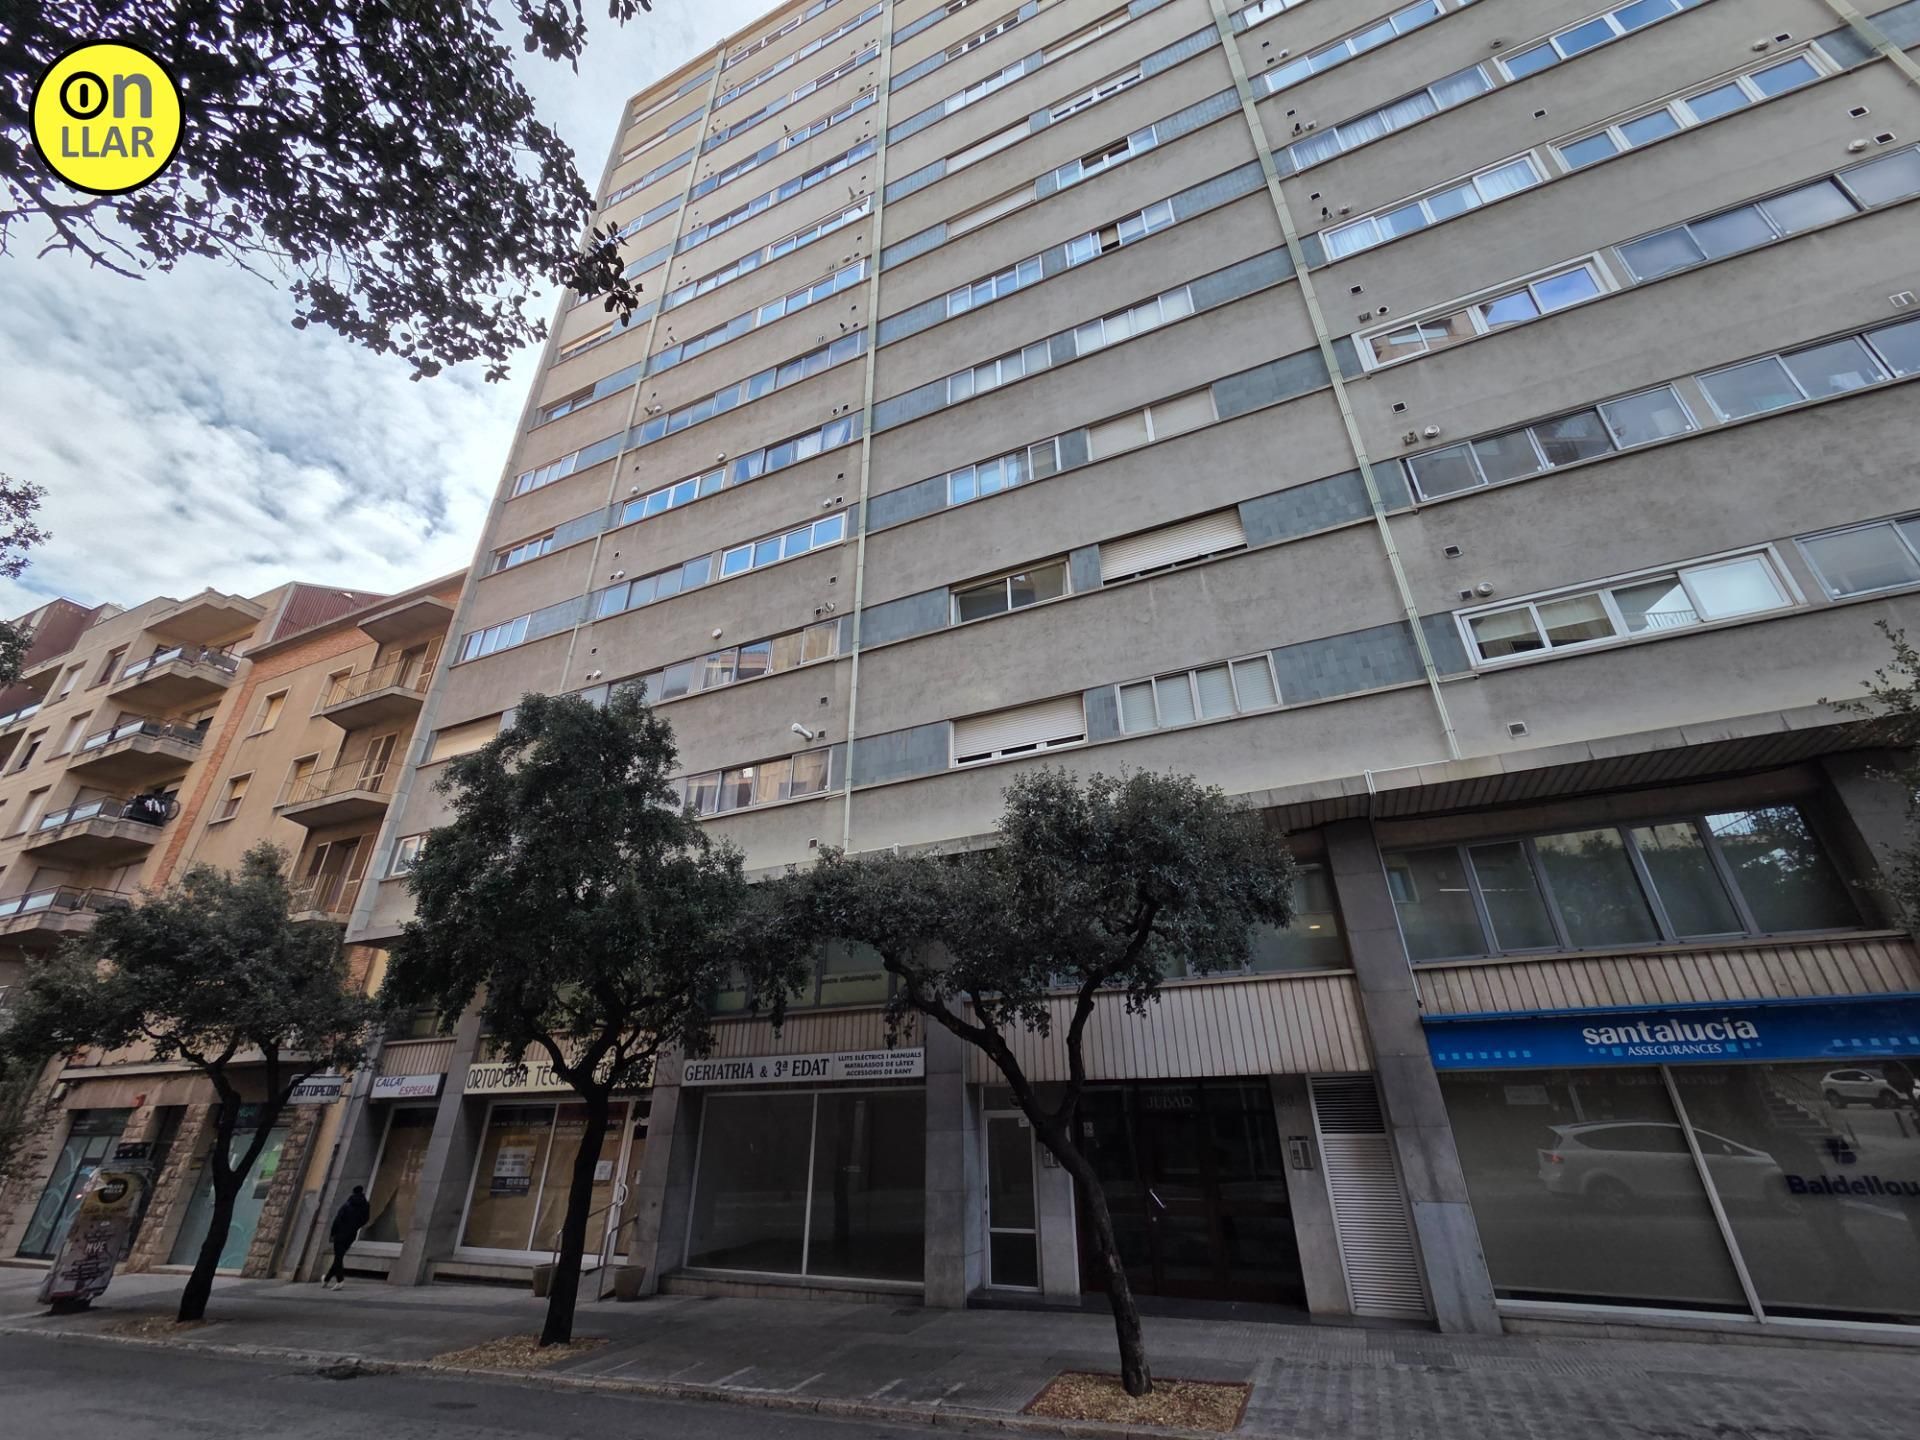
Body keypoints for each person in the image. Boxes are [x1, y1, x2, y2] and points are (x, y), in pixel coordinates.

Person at [323, 1186, 370, 1290]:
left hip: (341, 1233)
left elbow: (338, 1219)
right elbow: (365, 1219)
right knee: (339, 1257)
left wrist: (333, 1233)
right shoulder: (365, 1205)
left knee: (338, 1257)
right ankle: (326, 1279)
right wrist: (356, 1227)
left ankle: (340, 1280)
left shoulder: (348, 1204)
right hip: (352, 1234)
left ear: (353, 1192)